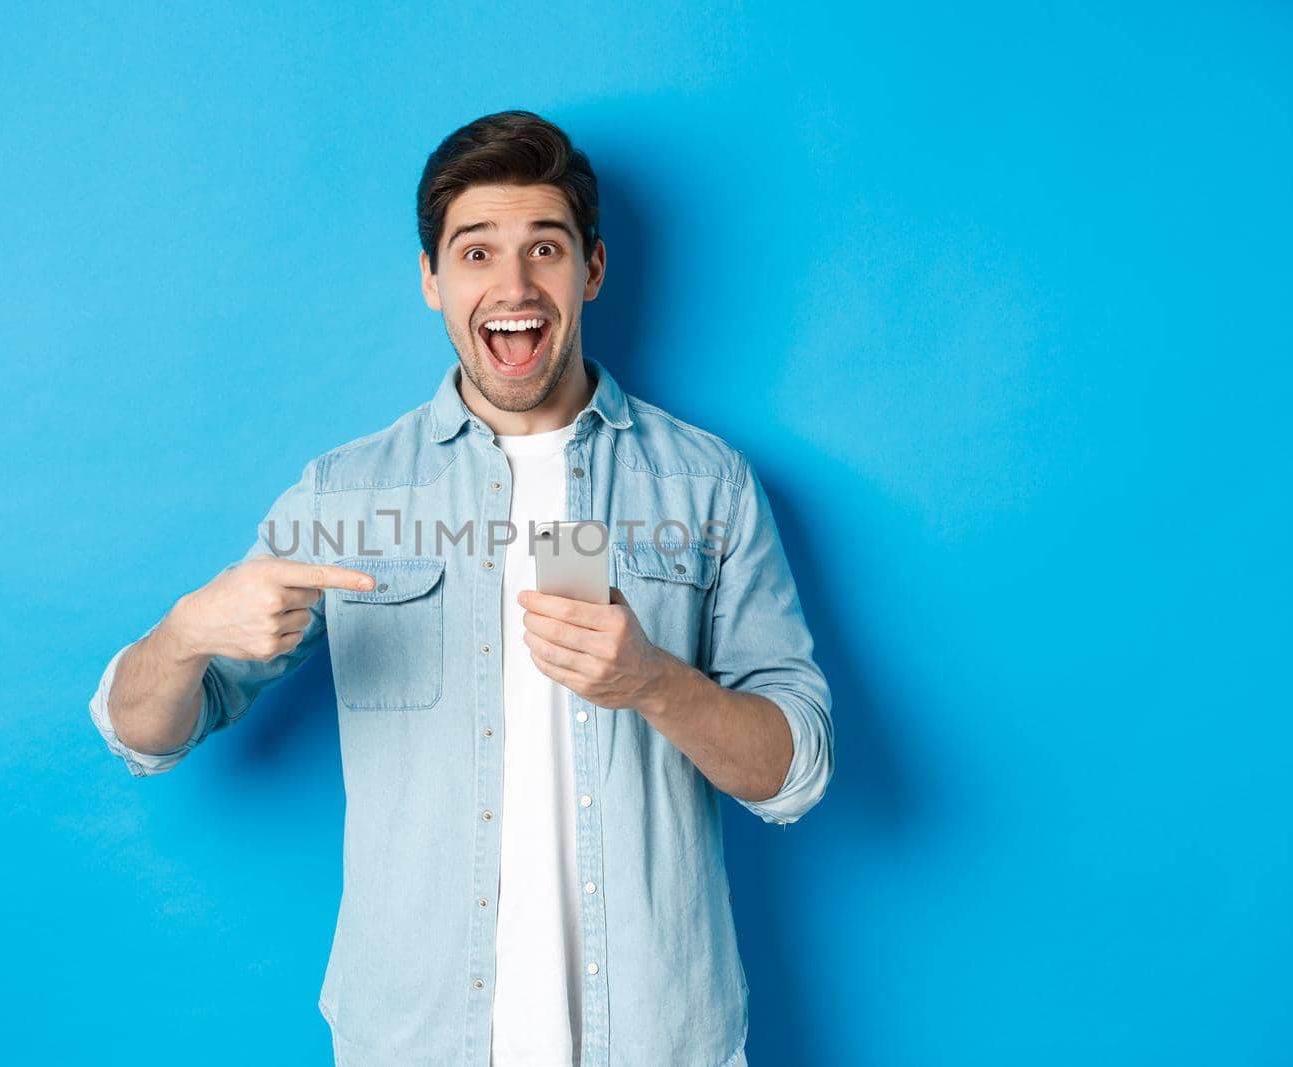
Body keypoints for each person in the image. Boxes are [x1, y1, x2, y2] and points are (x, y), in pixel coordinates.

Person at [88, 109, 833, 1067]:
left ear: (592, 270)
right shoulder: (348, 495)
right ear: (432, 280)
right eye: (476, 252)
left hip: (660, 1038)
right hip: (415, 1039)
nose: (513, 285)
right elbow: (141, 734)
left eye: (545, 249)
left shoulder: (706, 484)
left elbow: (798, 769)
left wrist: (651, 680)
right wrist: (187, 633)